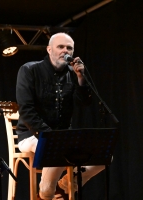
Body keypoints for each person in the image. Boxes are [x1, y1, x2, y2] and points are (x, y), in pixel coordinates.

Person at [15, 32, 105, 200]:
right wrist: (49, 136)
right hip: (30, 135)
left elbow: (84, 103)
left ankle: (63, 186)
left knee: (104, 154)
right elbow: (26, 110)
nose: (65, 51)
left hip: (63, 135)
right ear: (49, 49)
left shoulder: (73, 74)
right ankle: (45, 194)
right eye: (60, 47)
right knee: (58, 148)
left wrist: (80, 79)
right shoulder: (29, 70)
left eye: (69, 48)